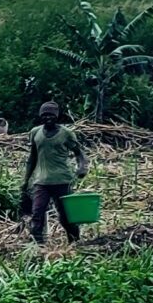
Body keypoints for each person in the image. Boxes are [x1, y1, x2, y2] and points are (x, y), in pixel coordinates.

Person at [22, 101, 90, 244]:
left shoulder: (66, 134)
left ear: (57, 116)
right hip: (41, 182)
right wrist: (26, 180)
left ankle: (75, 242)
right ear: (41, 116)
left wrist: (82, 167)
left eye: (51, 115)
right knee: (37, 215)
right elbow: (32, 158)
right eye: (45, 115)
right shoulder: (35, 133)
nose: (48, 118)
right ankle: (39, 248)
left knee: (66, 217)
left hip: (62, 181)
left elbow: (80, 153)